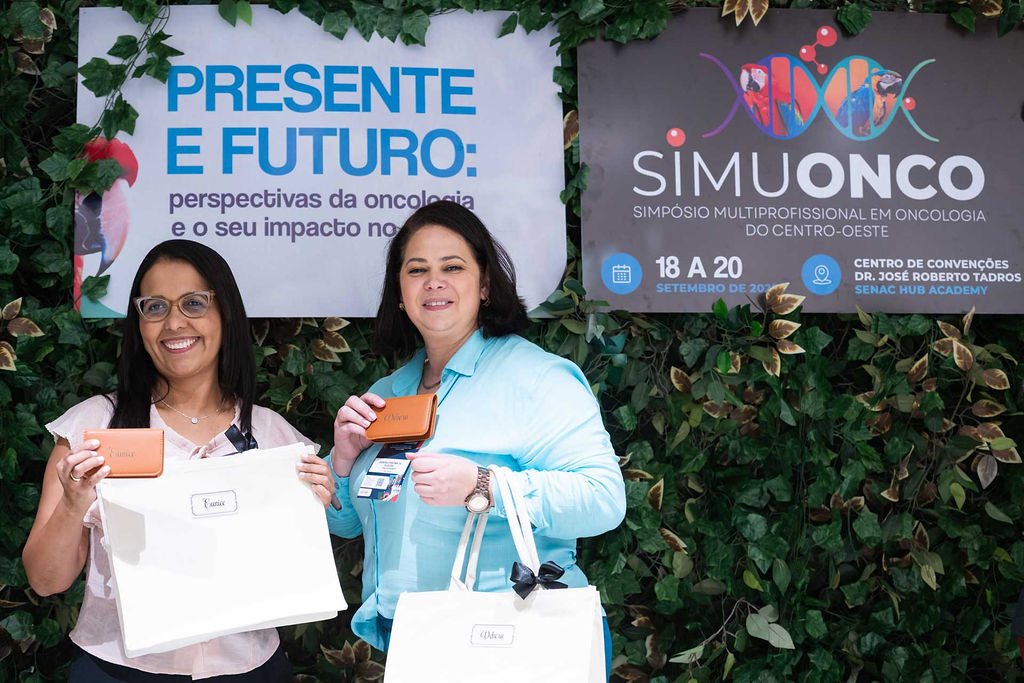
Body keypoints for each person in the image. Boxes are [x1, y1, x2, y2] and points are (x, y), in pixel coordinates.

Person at [325, 201, 626, 669]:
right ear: (400, 293)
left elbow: (603, 499)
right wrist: (343, 463)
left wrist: (484, 485)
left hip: (514, 642)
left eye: (453, 267)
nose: (434, 281)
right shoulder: (386, 394)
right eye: (417, 269)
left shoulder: (536, 378)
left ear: (485, 285)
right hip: (418, 641)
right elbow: (347, 525)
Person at [22, 240, 333, 681]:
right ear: (139, 323)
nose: (173, 322)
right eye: (154, 307)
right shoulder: (92, 428)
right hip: (119, 670)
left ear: (225, 313)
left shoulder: (274, 436)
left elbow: (294, 568)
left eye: (193, 303)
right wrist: (73, 505)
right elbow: (45, 581)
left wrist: (312, 508)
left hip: (251, 667)